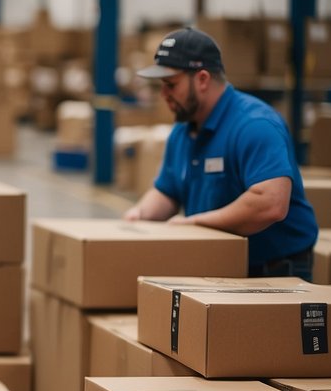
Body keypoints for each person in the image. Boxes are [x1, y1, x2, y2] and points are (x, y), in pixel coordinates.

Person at [124, 27, 318, 280]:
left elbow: (271, 204)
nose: (164, 95)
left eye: (171, 85)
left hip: (275, 270)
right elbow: (168, 191)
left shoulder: (254, 125)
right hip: (219, 262)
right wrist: (139, 216)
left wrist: (194, 222)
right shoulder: (183, 131)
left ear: (202, 79)